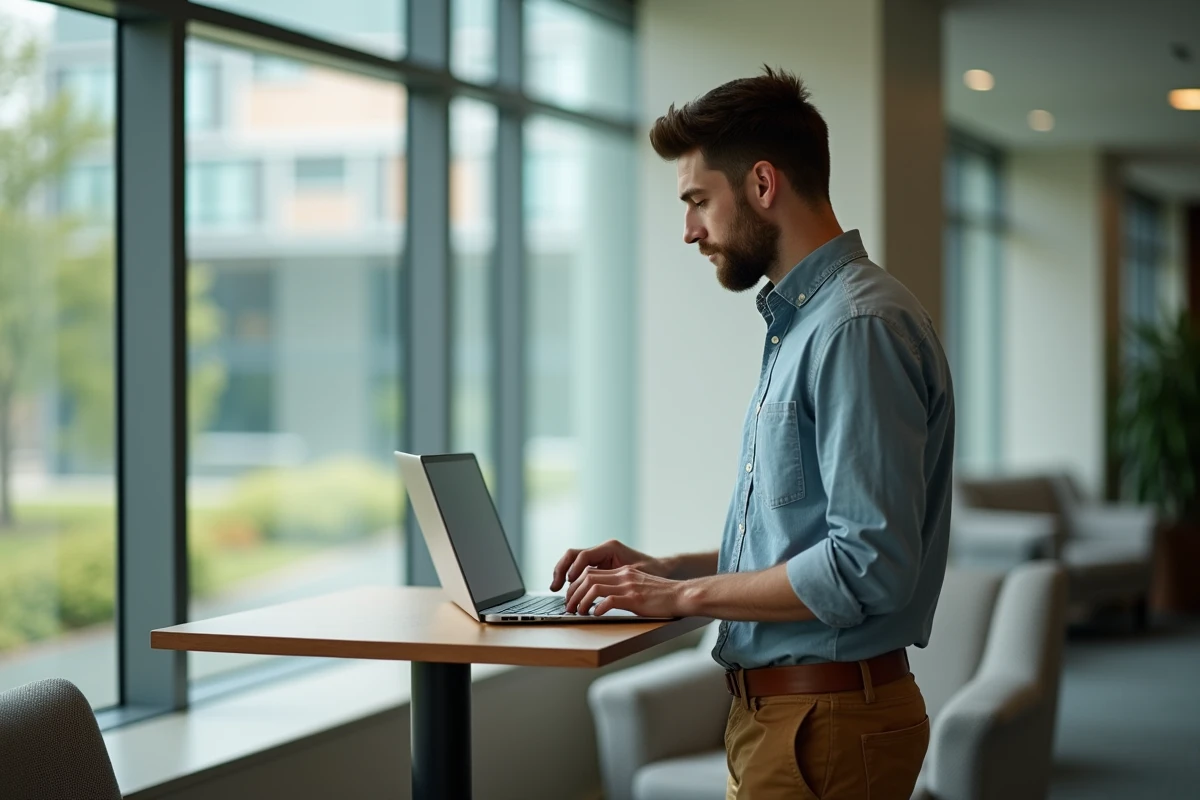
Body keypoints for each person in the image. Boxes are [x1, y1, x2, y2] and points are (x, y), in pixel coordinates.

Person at [551, 67, 956, 799]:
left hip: (823, 723)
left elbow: (866, 565)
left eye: (698, 201)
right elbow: (803, 540)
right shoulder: (808, 326)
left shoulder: (853, 328)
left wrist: (683, 598)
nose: (689, 230)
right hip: (794, 718)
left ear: (763, 185)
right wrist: (667, 569)